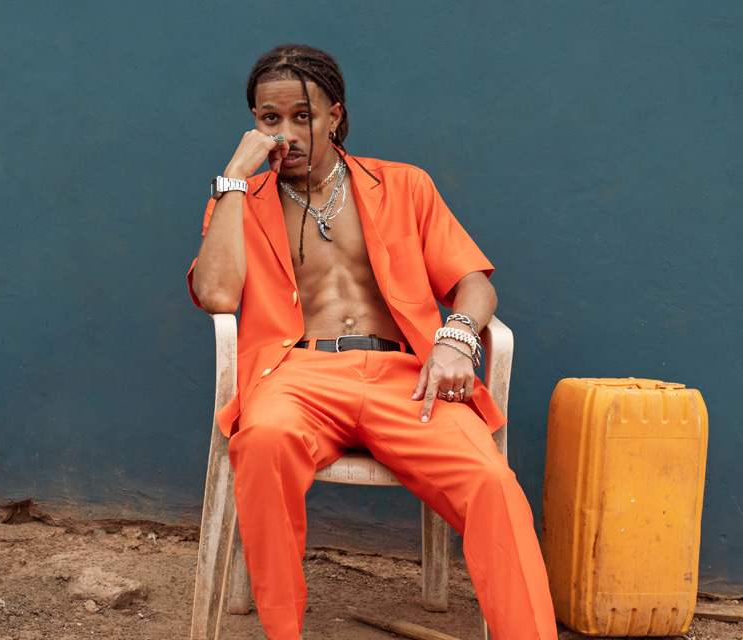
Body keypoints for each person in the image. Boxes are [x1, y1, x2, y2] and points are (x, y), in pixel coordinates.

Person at [187, 43, 557, 640]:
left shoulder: (404, 185)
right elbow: (217, 296)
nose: (286, 135)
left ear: (335, 115)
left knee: (493, 484)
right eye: (270, 119)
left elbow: (472, 283)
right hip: (296, 377)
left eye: (302, 116)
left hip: (406, 380)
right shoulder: (239, 202)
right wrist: (232, 178)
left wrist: (456, 338)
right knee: (263, 441)